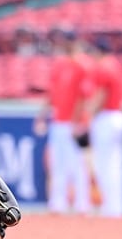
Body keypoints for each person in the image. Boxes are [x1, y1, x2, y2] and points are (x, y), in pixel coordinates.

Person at [34, 35, 92, 214]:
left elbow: (84, 97)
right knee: (57, 164)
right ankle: (58, 203)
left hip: (73, 123)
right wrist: (42, 117)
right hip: (58, 121)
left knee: (77, 164)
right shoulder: (60, 64)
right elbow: (52, 94)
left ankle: (82, 203)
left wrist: (78, 122)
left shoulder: (83, 65)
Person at [82, 38, 122, 217]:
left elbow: (101, 95)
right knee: (115, 164)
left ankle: (110, 207)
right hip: (118, 116)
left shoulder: (104, 67)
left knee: (104, 164)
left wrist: (89, 113)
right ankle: (117, 207)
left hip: (106, 117)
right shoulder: (117, 65)